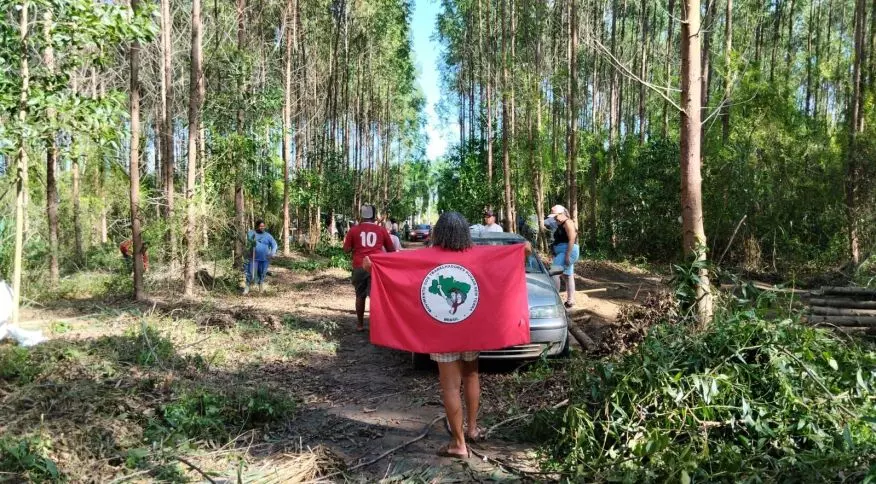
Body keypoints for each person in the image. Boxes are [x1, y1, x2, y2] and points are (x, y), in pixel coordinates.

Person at [364, 212, 531, 460]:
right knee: (472, 375)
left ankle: (458, 443)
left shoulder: (424, 257)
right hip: (470, 331)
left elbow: (375, 264)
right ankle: (472, 429)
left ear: (438, 233)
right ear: (465, 233)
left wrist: (373, 264)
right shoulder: (479, 256)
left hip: (441, 332)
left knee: (451, 387)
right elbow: (525, 249)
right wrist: (522, 249)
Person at [343, 204, 397, 332]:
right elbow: (391, 250)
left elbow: (346, 249)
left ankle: (360, 325)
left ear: (361, 215)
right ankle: (377, 326)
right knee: (376, 297)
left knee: (360, 296)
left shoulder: (354, 230)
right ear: (374, 216)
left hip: (359, 265)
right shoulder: (381, 230)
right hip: (376, 267)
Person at [545, 204, 580, 307]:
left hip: (568, 251)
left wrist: (567, 255)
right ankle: (570, 301)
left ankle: (555, 300)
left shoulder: (568, 222)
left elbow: (572, 238)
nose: (555, 218)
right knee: (568, 275)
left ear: (561, 214)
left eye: (555, 216)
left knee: (554, 272)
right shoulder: (560, 223)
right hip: (563, 252)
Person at [244, 220, 277, 295]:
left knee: (262, 273)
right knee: (250, 273)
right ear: (257, 226)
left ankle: (260, 289)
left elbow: (274, 244)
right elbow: (249, 241)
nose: (262, 227)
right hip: (253, 258)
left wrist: (272, 253)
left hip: (264, 259)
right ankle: (247, 289)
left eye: (263, 226)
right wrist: (252, 240)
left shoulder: (268, 235)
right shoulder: (251, 233)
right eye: (260, 226)